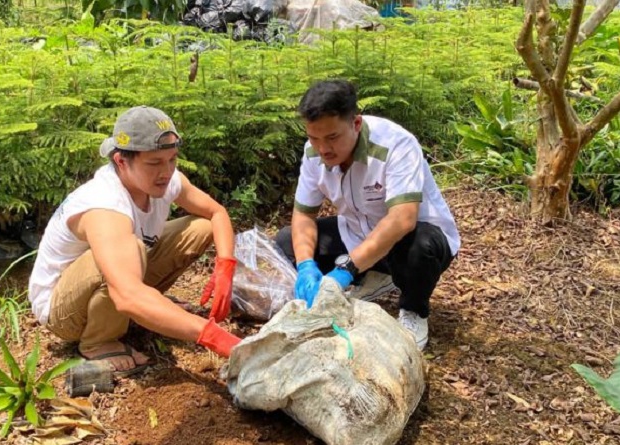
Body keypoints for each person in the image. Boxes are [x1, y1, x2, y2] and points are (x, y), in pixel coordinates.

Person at [28, 106, 241, 375]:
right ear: (121, 161)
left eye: (172, 159)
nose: (166, 171)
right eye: (154, 163)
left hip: (122, 276)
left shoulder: (167, 179)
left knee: (200, 227)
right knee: (131, 249)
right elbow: (127, 294)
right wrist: (215, 337)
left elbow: (217, 213)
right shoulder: (105, 205)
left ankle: (146, 308)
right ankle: (98, 341)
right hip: (64, 311)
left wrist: (226, 266)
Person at [275, 79, 460, 350]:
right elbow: (304, 216)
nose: (323, 149)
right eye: (314, 138)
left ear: (356, 124)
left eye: (332, 137)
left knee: (421, 246)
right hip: (357, 235)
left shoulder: (397, 144)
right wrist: (305, 266)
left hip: (410, 240)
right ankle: (374, 277)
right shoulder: (313, 153)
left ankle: (413, 310)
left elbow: (403, 218)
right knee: (285, 241)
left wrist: (346, 269)